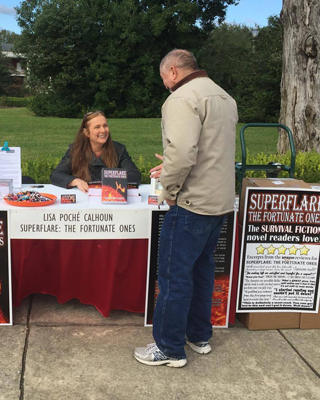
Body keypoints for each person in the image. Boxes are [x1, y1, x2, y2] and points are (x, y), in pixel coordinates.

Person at [134, 49, 238, 367]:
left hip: (192, 204)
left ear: (175, 71)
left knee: (174, 277)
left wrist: (168, 189)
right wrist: (175, 164)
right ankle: (198, 336)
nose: (164, 83)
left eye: (164, 76)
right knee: (203, 272)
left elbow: (182, 152)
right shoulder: (224, 97)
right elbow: (210, 150)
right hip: (220, 202)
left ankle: (169, 348)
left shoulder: (181, 98)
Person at [50, 111, 141, 192]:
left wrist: (110, 181)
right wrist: (75, 181)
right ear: (87, 133)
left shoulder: (119, 149)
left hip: (111, 198)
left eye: (105, 126)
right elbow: (56, 175)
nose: (103, 130)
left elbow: (135, 175)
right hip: (84, 198)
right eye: (97, 127)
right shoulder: (75, 150)